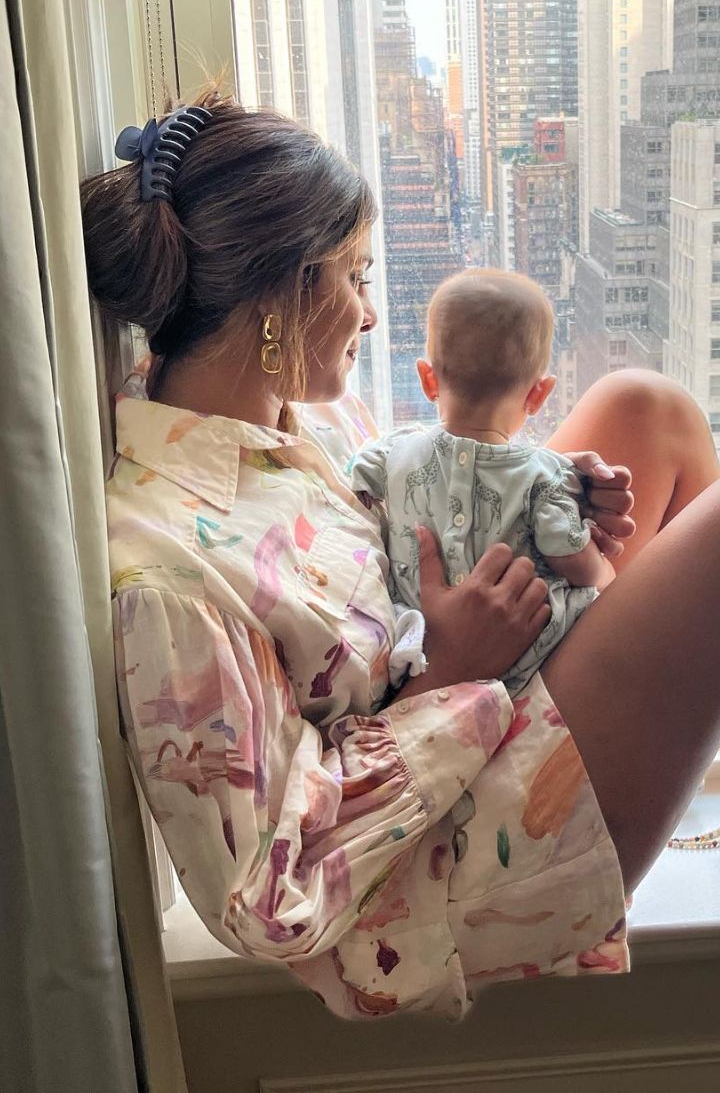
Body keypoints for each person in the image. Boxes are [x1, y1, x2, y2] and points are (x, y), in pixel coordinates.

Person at [82, 92, 720, 1021]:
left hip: (465, 681)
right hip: (427, 863)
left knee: (645, 408)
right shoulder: (171, 579)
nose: (374, 314)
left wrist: (553, 486)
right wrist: (448, 676)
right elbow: (268, 898)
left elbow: (424, 499)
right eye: (358, 277)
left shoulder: (282, 419)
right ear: (282, 297)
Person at [351, 268, 615, 698]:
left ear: (428, 379)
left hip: (418, 653)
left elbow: (355, 477)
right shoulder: (542, 479)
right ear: (539, 394)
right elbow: (580, 566)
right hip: (525, 664)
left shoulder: (392, 453)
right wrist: (603, 565)